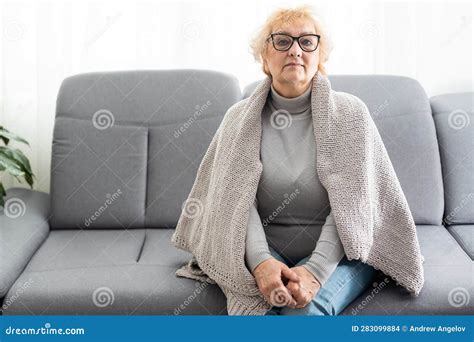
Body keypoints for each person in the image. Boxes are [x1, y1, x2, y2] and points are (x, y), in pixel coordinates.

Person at [245, 4, 379, 315]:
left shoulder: (350, 114)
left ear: (321, 57)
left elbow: (354, 204)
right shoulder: (238, 119)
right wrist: (262, 262)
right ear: (264, 57)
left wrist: (314, 272)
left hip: (343, 251)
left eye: (307, 42)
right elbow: (234, 201)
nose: (295, 51)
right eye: (282, 41)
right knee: (256, 311)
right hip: (265, 250)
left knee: (301, 315)